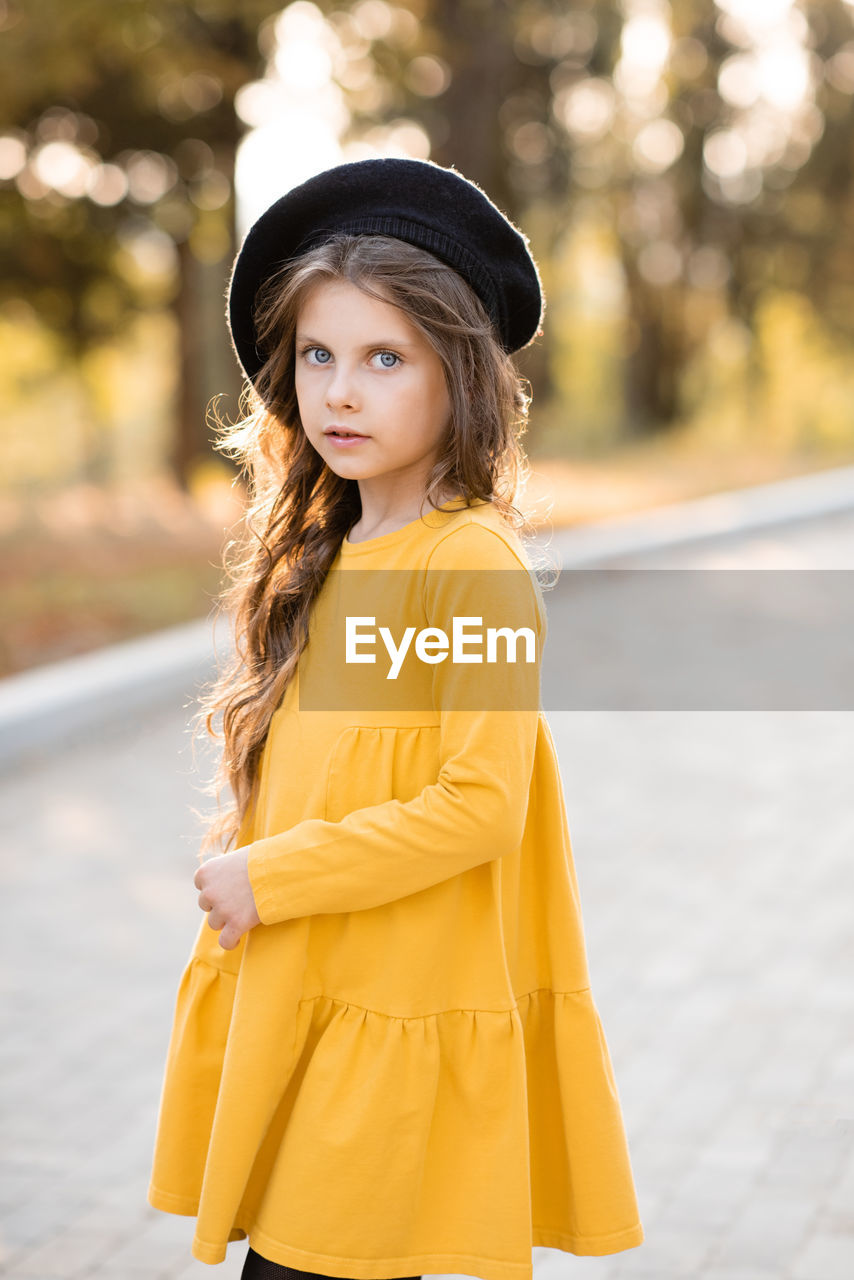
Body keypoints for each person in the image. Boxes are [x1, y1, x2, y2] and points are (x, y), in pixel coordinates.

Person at [147, 157, 644, 1280]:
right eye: (318, 356)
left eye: (384, 359)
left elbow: (478, 805)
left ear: (456, 376)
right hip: (318, 991)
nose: (340, 393)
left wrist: (275, 873)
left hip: (394, 1011)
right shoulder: (333, 550)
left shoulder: (468, 563)